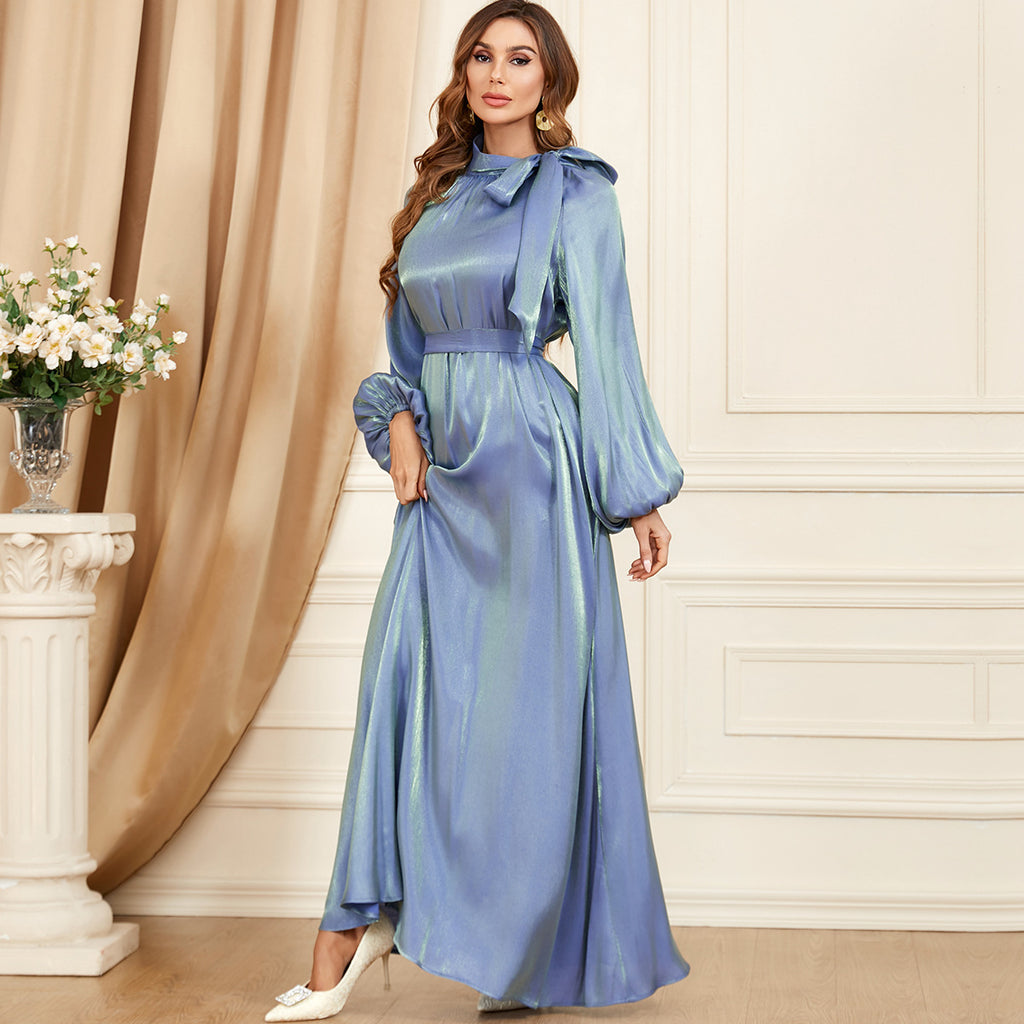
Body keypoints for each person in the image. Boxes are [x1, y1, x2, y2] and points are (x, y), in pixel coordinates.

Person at [265, 2, 689, 1019]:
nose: (497, 74)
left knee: (528, 719)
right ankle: (357, 920)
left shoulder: (578, 193)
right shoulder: (436, 195)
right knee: (406, 684)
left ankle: (522, 952)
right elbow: (405, 355)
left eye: (520, 58)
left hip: (533, 468)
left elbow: (608, 346)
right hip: (446, 473)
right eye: (480, 57)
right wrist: (401, 424)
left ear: (550, 81)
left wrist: (636, 495)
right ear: (463, 75)